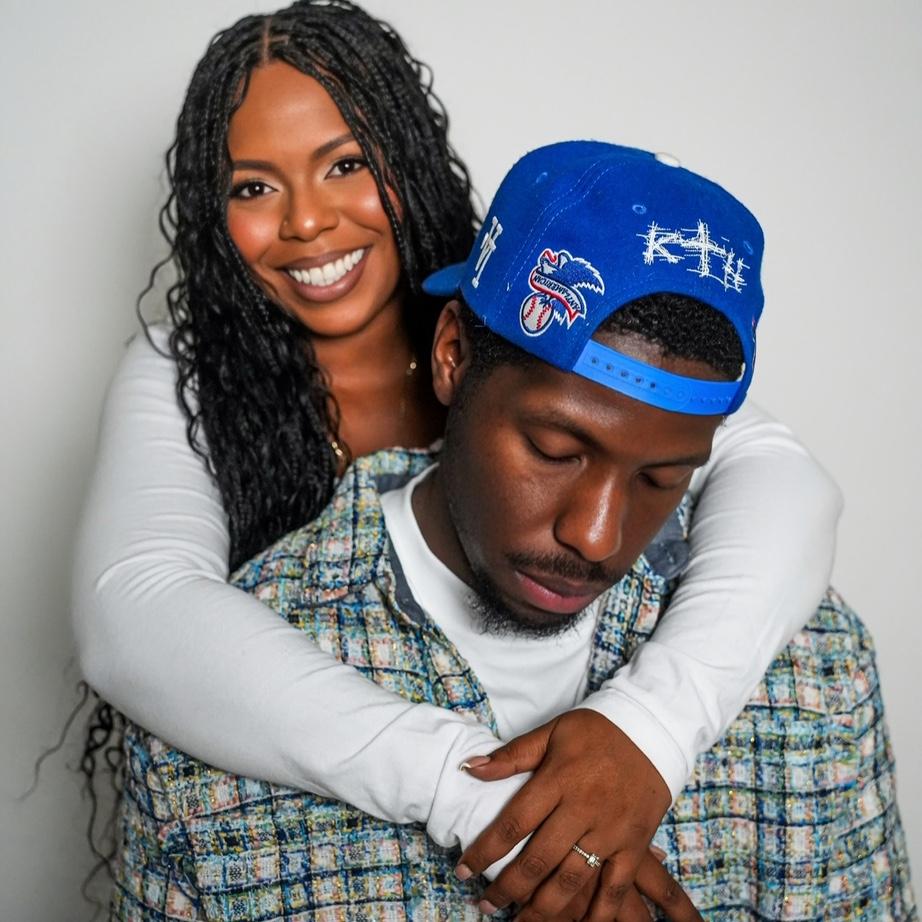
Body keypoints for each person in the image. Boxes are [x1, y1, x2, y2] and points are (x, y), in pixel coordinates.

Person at [73, 0, 841, 909]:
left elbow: (772, 469)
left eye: (346, 165)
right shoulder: (186, 371)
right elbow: (132, 610)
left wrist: (651, 727)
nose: (308, 221)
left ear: (405, 157)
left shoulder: (539, 298)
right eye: (253, 188)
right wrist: (476, 796)